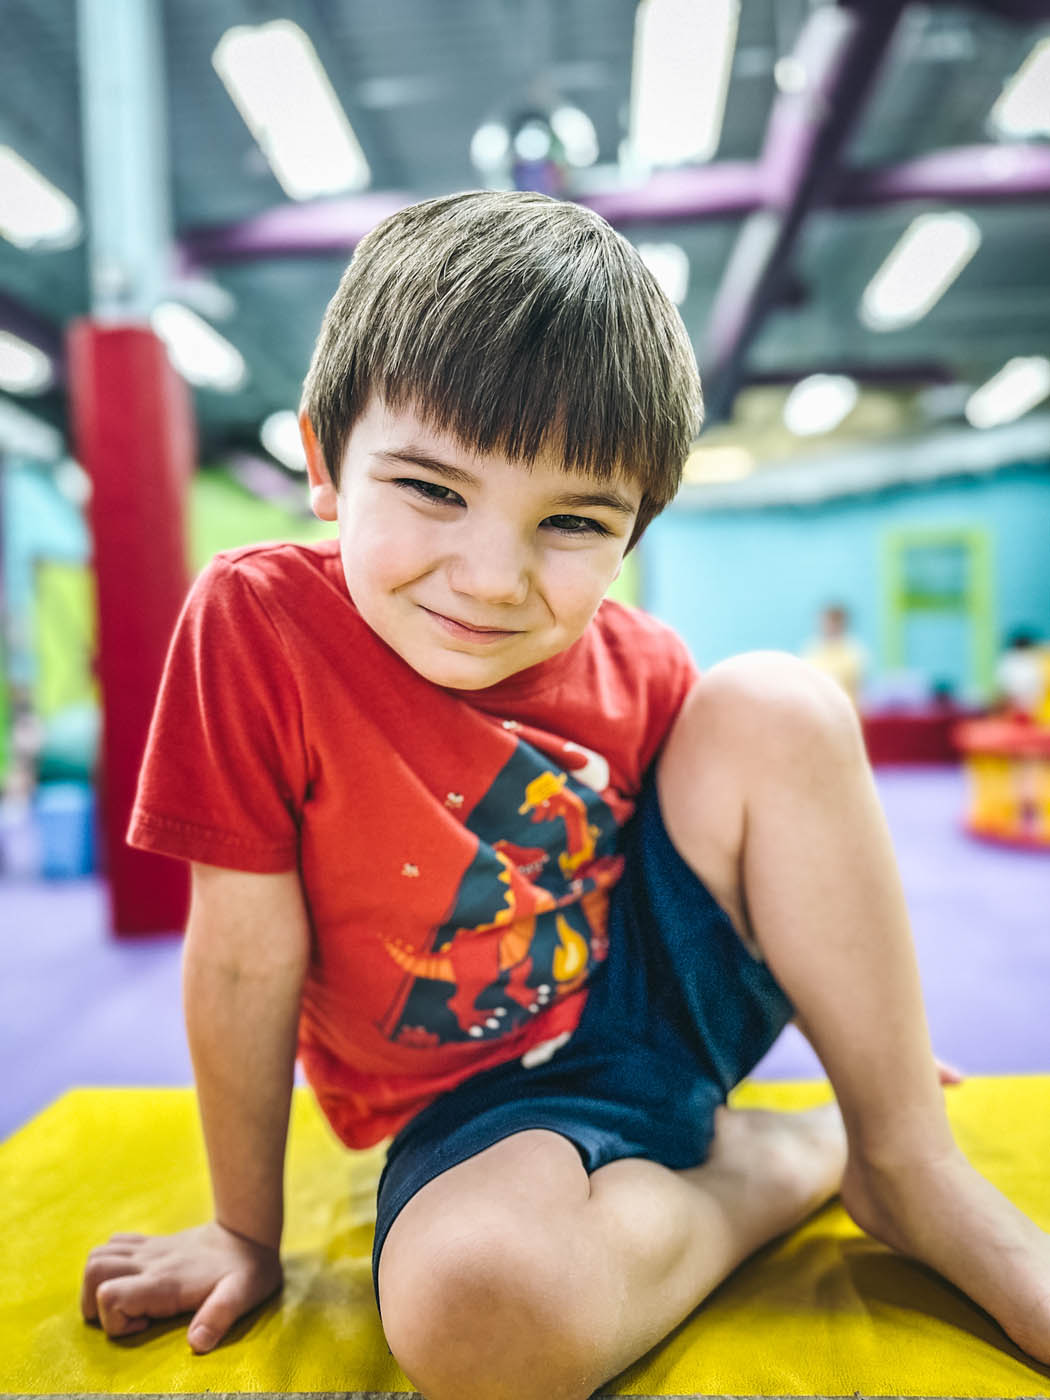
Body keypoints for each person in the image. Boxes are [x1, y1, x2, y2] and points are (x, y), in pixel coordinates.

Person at [80, 191, 1050, 1398]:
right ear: (325, 465)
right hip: (476, 1096)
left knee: (779, 703)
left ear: (636, 525)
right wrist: (243, 1226)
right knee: (479, 1311)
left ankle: (907, 1160)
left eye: (572, 520)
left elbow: (756, 862)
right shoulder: (257, 625)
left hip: (651, 994)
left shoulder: (641, 665)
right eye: (433, 489)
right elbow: (238, 953)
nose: (490, 578)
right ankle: (794, 1158)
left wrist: (872, 1039)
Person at [802, 602, 868, 708]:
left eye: (830, 622)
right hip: (816, 708)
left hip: (844, 710)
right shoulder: (812, 648)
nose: (826, 626)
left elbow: (859, 687)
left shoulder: (854, 652)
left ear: (842, 624)